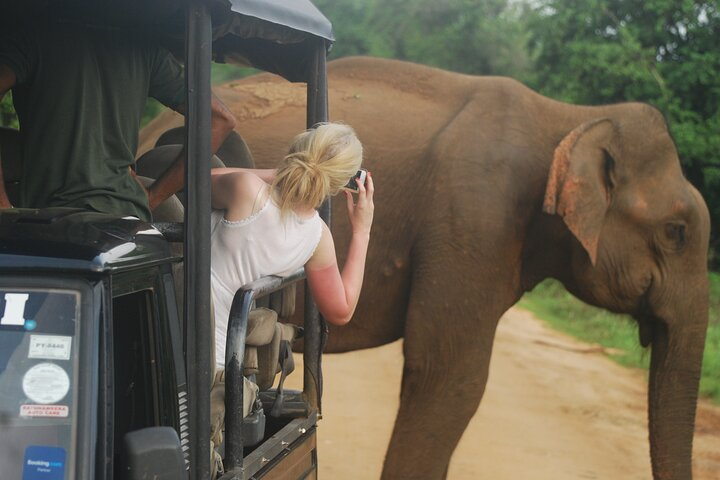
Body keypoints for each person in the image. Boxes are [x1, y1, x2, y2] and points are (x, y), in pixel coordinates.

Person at [0, 15, 236, 220]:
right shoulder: (144, 47)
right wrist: (154, 197)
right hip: (126, 217)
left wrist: (3, 207)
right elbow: (219, 119)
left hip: (50, 220)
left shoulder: (32, 37)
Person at [210, 122, 374, 367]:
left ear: (297, 150)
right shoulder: (317, 237)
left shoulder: (247, 190)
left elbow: (191, 177)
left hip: (167, 330)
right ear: (340, 185)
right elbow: (342, 311)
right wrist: (362, 232)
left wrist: (277, 175)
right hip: (222, 358)